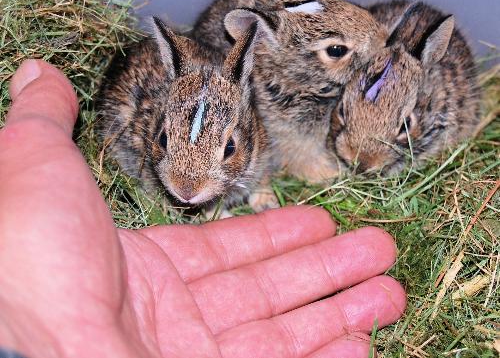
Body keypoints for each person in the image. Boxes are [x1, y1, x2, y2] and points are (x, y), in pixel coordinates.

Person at [0, 60, 406, 358]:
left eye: (228, 150)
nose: (187, 187)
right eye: (164, 141)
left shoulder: (254, 136)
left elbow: (256, 154)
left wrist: (257, 187)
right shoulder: (140, 127)